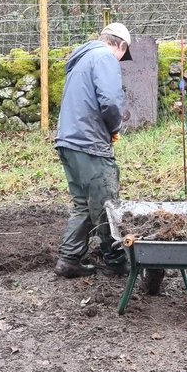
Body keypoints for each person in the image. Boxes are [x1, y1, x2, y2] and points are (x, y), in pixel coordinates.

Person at [53, 22, 132, 278]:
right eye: (123, 54)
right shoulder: (105, 57)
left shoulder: (82, 59)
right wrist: (114, 127)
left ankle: (69, 259)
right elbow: (110, 101)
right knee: (107, 204)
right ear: (120, 45)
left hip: (68, 141)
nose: (120, 60)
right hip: (90, 143)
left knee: (83, 204)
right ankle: (116, 261)